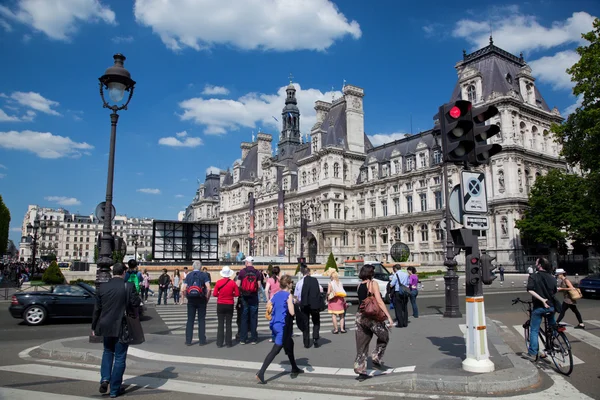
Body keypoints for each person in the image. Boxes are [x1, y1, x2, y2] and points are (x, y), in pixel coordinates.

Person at [91, 263, 140, 398]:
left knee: (107, 352)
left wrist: (94, 327)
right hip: (121, 326)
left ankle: (105, 379)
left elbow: (97, 309)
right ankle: (114, 389)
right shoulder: (128, 286)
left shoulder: (103, 286)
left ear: (113, 272)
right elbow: (136, 303)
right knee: (119, 357)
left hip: (105, 325)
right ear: (124, 272)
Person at [256, 275, 303, 384]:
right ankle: (261, 372)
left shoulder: (275, 294)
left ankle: (294, 367)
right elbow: (292, 312)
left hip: (274, 324)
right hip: (283, 326)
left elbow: (269, 306)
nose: (292, 283)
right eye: (291, 282)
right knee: (275, 350)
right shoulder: (288, 295)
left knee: (290, 343)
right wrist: (294, 304)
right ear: (288, 284)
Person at [354, 264, 394, 381]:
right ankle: (376, 355)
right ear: (371, 273)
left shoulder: (359, 285)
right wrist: (388, 317)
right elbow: (380, 301)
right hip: (371, 317)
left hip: (360, 317)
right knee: (384, 335)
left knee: (361, 345)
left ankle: (361, 371)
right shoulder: (373, 284)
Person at [525, 257, 558, 361]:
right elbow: (554, 291)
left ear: (539, 265)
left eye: (536, 262)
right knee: (552, 326)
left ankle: (533, 353)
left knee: (534, 330)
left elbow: (530, 290)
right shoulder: (552, 277)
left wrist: (542, 299)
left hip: (539, 307)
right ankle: (554, 342)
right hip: (551, 306)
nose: (535, 263)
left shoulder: (533, 276)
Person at [183, 261, 211, 345]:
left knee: (190, 320)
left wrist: (187, 297)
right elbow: (209, 289)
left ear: (192, 267)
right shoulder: (204, 275)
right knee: (201, 320)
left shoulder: (189, 275)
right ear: (201, 267)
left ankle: (188, 340)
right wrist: (207, 298)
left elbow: (183, 289)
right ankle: (202, 340)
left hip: (191, 300)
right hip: (201, 299)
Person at [237, 256, 263, 345]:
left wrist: (243, 290)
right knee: (253, 317)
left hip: (245, 297)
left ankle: (243, 339)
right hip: (254, 297)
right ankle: (254, 338)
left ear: (247, 262)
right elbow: (259, 286)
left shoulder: (242, 272)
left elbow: (238, 284)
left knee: (244, 317)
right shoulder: (257, 272)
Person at [213, 266, 240, 348]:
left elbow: (214, 294)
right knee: (229, 324)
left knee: (220, 324)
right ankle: (228, 342)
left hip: (220, 304)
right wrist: (231, 295)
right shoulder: (232, 283)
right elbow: (237, 294)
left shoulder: (218, 282)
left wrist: (220, 295)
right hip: (229, 304)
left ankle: (219, 343)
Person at [300, 266, 323, 348]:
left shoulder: (300, 282)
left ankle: (306, 342)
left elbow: (296, 295)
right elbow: (320, 290)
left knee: (305, 323)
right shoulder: (315, 280)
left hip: (304, 304)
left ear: (302, 273)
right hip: (314, 304)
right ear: (309, 272)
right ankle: (315, 338)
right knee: (316, 321)